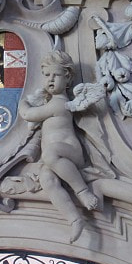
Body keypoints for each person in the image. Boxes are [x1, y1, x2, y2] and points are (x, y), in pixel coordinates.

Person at [18, 51, 98, 242]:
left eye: (56, 75)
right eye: (47, 75)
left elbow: (29, 115)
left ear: (68, 78)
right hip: (54, 158)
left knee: (50, 153)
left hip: (69, 152)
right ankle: (74, 219)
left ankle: (83, 192)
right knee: (47, 180)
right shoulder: (51, 103)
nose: (50, 79)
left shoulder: (59, 104)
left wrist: (22, 103)